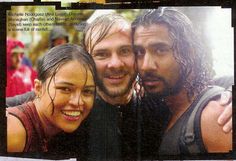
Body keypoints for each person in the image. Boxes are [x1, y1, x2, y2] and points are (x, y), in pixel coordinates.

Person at [6, 13, 233, 159]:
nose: (115, 64)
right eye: (102, 54)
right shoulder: (70, 110)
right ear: (87, 60)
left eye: (125, 51)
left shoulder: (158, 104)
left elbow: (201, 87)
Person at [131, 8, 232, 155]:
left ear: (189, 52)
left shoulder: (216, 116)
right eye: (140, 52)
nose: (146, 66)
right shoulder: (162, 106)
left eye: (160, 50)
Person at [7, 44, 97, 152]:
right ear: (39, 88)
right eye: (65, 89)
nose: (77, 102)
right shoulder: (14, 131)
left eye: (87, 91)